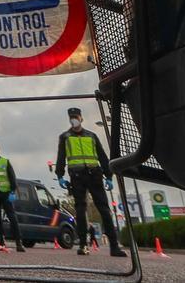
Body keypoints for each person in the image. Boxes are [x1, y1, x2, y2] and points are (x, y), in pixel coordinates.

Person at [55, 107, 127, 257]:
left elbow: (102, 156)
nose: (74, 119)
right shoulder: (65, 137)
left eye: (76, 117)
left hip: (95, 175)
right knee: (80, 210)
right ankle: (82, 245)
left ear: (81, 118)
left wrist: (109, 175)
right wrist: (60, 175)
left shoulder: (92, 136)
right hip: (77, 176)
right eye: (71, 117)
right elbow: (61, 157)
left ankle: (114, 246)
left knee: (105, 210)